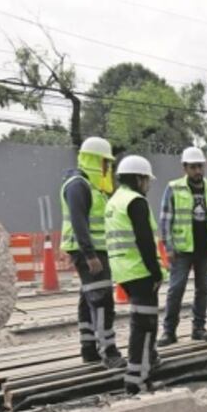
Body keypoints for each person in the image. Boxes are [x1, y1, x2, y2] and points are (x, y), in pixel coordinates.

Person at [59, 136, 125, 369]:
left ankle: (88, 349)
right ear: (95, 160)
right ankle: (109, 351)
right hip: (90, 253)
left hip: (94, 251)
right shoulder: (78, 185)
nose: (108, 167)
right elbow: (79, 222)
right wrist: (90, 255)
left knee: (88, 300)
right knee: (101, 300)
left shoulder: (90, 186)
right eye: (105, 162)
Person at [104, 155, 165, 395]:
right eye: (147, 180)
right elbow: (145, 242)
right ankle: (139, 381)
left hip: (123, 272)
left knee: (138, 326)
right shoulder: (136, 202)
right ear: (139, 178)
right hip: (141, 272)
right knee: (146, 328)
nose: (148, 185)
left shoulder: (114, 201)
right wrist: (156, 272)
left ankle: (135, 377)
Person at [157, 146, 207, 346]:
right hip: (182, 251)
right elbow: (165, 220)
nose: (198, 171)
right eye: (193, 167)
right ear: (185, 167)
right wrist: (168, 247)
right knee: (176, 290)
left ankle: (199, 328)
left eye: (200, 166)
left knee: (203, 290)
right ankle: (169, 331)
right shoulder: (173, 188)